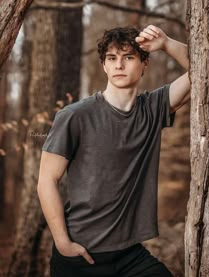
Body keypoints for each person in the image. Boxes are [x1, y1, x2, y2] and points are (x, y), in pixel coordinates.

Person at [38, 25, 190, 277]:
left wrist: (165, 43)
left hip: (130, 255)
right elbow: (46, 180)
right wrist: (63, 243)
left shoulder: (152, 109)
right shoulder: (74, 116)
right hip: (81, 256)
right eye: (112, 58)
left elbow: (206, 69)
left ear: (144, 64)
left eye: (128, 57)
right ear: (104, 66)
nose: (119, 65)